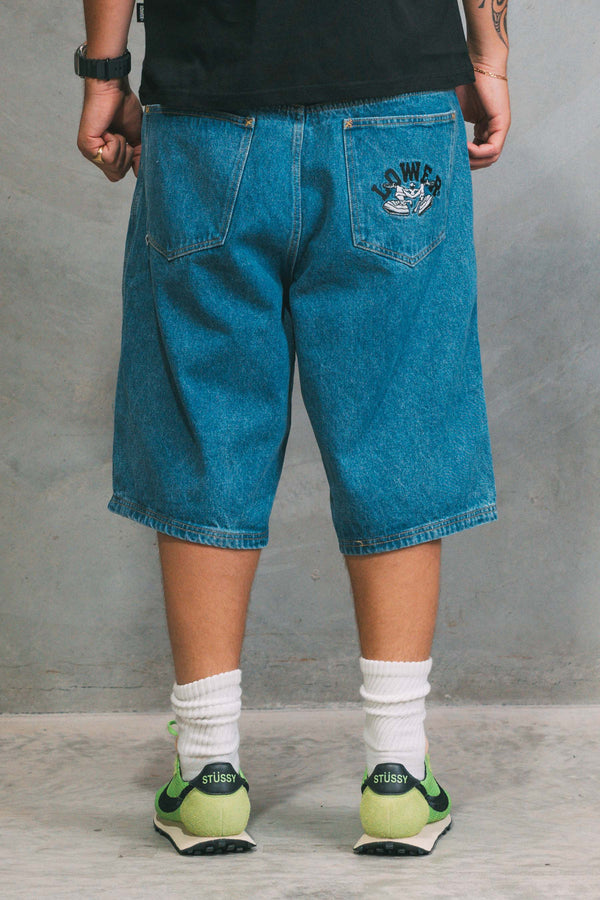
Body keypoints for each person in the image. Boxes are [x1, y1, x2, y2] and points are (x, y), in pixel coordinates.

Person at [76, 0, 510, 856]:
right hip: (397, 100)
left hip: (208, 109)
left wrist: (103, 72)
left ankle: (207, 772)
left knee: (207, 419)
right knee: (397, 417)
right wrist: (488, 56)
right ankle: (396, 776)